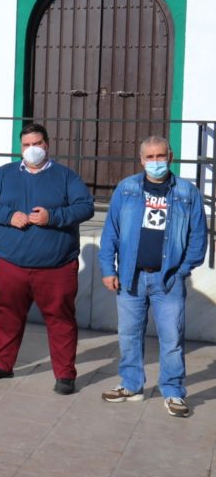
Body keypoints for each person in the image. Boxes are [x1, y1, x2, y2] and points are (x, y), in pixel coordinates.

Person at [0, 122, 94, 394]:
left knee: (61, 319)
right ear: (21, 148)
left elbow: (85, 207)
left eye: (37, 143)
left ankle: (65, 374)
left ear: (47, 145)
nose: (32, 149)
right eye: (27, 145)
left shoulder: (66, 176)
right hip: (10, 263)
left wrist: (53, 217)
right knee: (9, 315)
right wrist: (8, 216)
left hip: (56, 267)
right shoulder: (4, 174)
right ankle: (2, 365)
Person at [98, 136, 207, 418]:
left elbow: (198, 237)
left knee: (172, 339)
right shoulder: (128, 189)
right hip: (131, 278)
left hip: (168, 280)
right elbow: (111, 232)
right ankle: (132, 385)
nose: (156, 162)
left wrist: (182, 270)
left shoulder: (186, 192)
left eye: (161, 156)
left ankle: (173, 393)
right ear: (141, 159)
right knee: (129, 336)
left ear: (170, 157)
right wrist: (109, 269)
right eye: (151, 157)